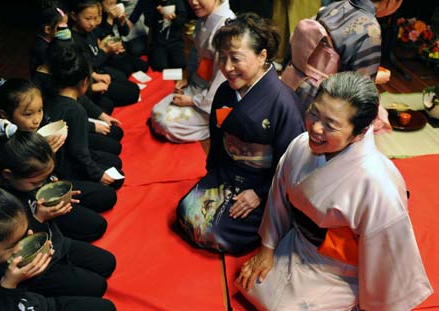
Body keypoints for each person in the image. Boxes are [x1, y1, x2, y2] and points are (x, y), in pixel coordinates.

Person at [236, 72, 432, 310]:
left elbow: (384, 257)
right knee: (251, 286)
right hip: (297, 243)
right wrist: (267, 249)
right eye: (314, 113)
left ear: (358, 133)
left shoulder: (379, 185)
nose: (315, 128)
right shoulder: (300, 146)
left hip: (340, 269)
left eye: (330, 125)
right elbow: (278, 199)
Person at [176, 13, 305, 254]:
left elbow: (292, 164)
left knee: (214, 231)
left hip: (262, 184)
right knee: (186, 212)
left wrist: (260, 193)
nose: (226, 68)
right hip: (227, 173)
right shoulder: (225, 91)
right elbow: (217, 137)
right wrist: (213, 174)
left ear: (262, 56)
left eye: (235, 58)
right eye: (222, 58)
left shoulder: (284, 103)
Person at [0, 126, 116, 299]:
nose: (41, 185)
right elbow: (24, 240)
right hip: (36, 266)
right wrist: (40, 218)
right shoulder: (4, 205)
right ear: (7, 175)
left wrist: (55, 193)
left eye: (45, 179)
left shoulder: (26, 180)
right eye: (36, 183)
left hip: (56, 241)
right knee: (97, 287)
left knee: (107, 262)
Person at [0, 77, 118, 215]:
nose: (36, 120)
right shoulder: (7, 147)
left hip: (51, 177)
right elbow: (30, 183)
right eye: (28, 114)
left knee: (113, 177)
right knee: (102, 206)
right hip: (35, 200)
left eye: (40, 110)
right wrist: (46, 155)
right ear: (5, 115)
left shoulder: (38, 126)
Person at [0, 186, 117, 311]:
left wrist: (39, 221)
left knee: (103, 279)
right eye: (12, 245)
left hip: (35, 298)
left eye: (24, 234)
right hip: (14, 299)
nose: (22, 245)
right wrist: (9, 285)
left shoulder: (9, 217)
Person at [281, 0, 403, 110]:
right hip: (318, 100)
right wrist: (377, 78)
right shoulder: (370, 28)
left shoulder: (336, 5)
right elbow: (361, 87)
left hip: (289, 79)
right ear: (391, 1)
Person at [150, 0, 235, 143]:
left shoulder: (226, 26)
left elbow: (224, 79)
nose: (193, 2)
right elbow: (195, 53)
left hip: (216, 99)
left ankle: (217, 124)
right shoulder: (205, 18)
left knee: (164, 123)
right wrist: (188, 78)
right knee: (157, 111)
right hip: (200, 87)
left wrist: (193, 101)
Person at [46, 40, 124, 190]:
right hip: (67, 167)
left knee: (115, 161)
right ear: (85, 82)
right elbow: (79, 153)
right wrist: (98, 174)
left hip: (60, 158)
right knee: (115, 181)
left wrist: (101, 117)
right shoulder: (76, 111)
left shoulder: (54, 94)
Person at [69, 0, 141, 111]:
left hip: (100, 70)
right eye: (87, 19)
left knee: (130, 85)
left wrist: (108, 45)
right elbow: (87, 65)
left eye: (95, 18)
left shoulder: (90, 31)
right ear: (74, 16)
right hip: (88, 80)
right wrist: (105, 51)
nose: (92, 23)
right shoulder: (73, 40)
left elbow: (105, 38)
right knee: (132, 93)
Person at [143, 0, 188, 72]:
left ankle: (168, 57)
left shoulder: (178, 1)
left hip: (175, 41)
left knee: (181, 65)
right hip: (158, 42)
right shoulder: (150, 3)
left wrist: (174, 18)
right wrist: (157, 13)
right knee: (159, 67)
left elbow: (182, 22)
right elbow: (148, 23)